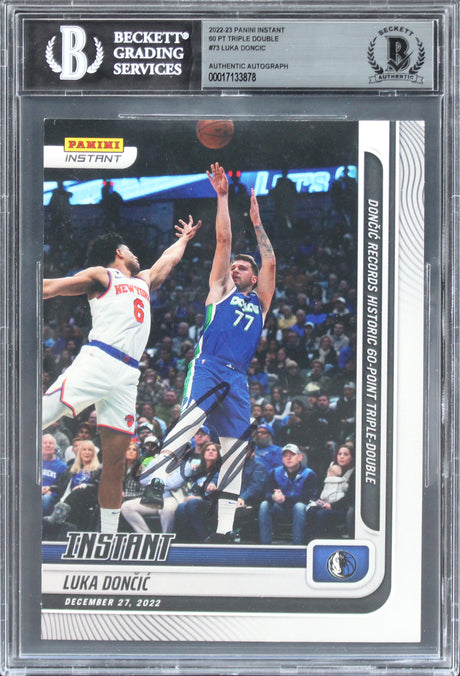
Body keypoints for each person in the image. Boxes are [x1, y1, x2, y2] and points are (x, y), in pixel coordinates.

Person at [140, 163, 276, 542]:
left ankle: (225, 530)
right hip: (209, 366)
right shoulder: (220, 290)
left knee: (235, 451)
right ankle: (153, 483)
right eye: (233, 266)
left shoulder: (261, 303)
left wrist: (258, 224)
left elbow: (270, 261)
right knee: (188, 424)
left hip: (237, 377)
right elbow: (223, 240)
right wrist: (222, 197)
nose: (235, 269)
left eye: (242, 268)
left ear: (253, 277)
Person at [42, 218, 201, 534]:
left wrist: (183, 239)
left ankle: (109, 537)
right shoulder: (102, 274)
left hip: (128, 375)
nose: (136, 254)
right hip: (98, 361)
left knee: (115, 463)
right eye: (130, 250)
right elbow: (51, 287)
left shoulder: (143, 280)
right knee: (37, 419)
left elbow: (167, 260)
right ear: (118, 252)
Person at [258, 444, 317, 545]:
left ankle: (298, 545)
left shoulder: (309, 474)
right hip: (280, 508)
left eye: (292, 455)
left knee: (299, 507)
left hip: (301, 510)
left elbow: (307, 497)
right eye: (285, 455)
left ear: (300, 457)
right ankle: (265, 545)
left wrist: (285, 498)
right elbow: (267, 493)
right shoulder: (275, 472)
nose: (288, 458)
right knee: (264, 505)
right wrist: (274, 497)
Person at [173, 442, 222, 543]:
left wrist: (199, 498)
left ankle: (203, 538)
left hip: (213, 503)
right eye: (208, 450)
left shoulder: (220, 471)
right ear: (203, 454)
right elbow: (193, 488)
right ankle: (189, 539)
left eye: (213, 450)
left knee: (192, 503)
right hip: (197, 501)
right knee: (181, 507)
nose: (210, 452)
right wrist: (190, 495)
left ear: (218, 454)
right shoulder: (198, 470)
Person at [305, 445, 355, 541]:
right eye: (339, 454)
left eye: (345, 454)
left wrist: (331, 505)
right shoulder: (331, 468)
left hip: (341, 507)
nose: (341, 457)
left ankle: (321, 542)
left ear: (351, 457)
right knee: (311, 510)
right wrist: (320, 500)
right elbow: (324, 487)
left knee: (322, 514)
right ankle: (309, 542)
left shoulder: (353, 473)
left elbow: (349, 497)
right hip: (326, 502)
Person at [42, 434, 67, 516]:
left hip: (50, 496)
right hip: (34, 493)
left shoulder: (62, 466)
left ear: (55, 447)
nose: (48, 445)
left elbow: (62, 487)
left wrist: (51, 491)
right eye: (45, 443)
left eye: (51, 443)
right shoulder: (34, 463)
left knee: (46, 498)